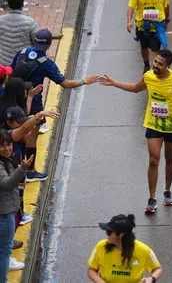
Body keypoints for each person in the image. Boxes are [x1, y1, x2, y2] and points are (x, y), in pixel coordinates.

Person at [99, 49, 172, 214]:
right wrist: (114, 82)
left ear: (167, 66)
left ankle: (167, 190)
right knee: (154, 160)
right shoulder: (148, 76)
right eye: (155, 61)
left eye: (160, 64)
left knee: (170, 158)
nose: (156, 65)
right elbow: (136, 88)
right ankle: (152, 198)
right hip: (153, 125)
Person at [10, 29, 100, 133]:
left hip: (14, 98)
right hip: (34, 103)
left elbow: (10, 71)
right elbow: (66, 84)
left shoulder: (22, 52)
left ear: (35, 41)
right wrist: (83, 81)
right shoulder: (47, 64)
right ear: (49, 44)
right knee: (32, 135)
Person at [0, 129, 34, 282]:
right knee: (4, 251)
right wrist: (22, 169)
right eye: (2, 146)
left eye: (9, 145)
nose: (7, 148)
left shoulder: (6, 160)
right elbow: (6, 184)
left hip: (6, 211)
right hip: (4, 214)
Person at [88, 214, 163, 283]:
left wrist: (151, 279)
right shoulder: (100, 246)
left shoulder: (144, 250)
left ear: (121, 235)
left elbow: (158, 269)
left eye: (109, 232)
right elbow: (91, 270)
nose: (107, 234)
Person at [127, 0, 170, 74]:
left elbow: (166, 5)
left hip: (157, 26)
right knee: (144, 46)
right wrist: (129, 21)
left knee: (155, 50)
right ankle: (146, 64)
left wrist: (166, 20)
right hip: (142, 26)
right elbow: (131, 6)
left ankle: (155, 72)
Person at [0, 0, 39, 66]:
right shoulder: (30, 23)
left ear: (8, 4)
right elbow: (38, 44)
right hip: (24, 64)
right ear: (22, 4)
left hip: (4, 65)